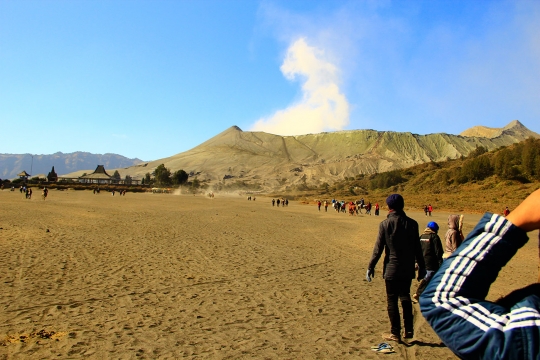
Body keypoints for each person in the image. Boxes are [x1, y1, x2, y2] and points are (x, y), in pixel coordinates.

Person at [420, 189, 540, 360]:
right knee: (430, 275)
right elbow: (442, 301)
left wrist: (517, 218)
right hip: (451, 256)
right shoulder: (528, 336)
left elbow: (442, 299)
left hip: (454, 260)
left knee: (430, 276)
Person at [366, 194, 426, 342]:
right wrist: (422, 267)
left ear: (389, 207)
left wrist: (371, 266)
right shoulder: (412, 224)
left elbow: (378, 249)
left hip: (391, 268)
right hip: (407, 268)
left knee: (392, 300)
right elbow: (418, 249)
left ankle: (395, 333)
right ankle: (409, 330)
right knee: (405, 296)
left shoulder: (385, 224)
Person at [412, 221, 443, 303]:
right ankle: (418, 293)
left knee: (428, 278)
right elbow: (438, 252)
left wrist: (416, 261)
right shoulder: (434, 237)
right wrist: (441, 263)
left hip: (422, 261)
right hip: (431, 262)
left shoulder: (422, 236)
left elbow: (416, 249)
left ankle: (426, 295)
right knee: (429, 277)